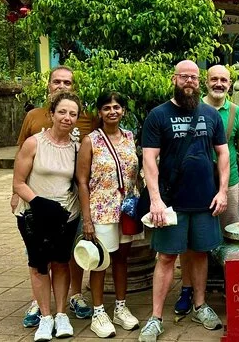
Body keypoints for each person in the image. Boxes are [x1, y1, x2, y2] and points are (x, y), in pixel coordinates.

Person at [138, 60, 230, 342]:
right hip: (171, 202)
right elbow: (149, 159)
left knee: (201, 253)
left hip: (205, 200)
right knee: (166, 257)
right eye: (184, 76)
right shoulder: (158, 115)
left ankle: (200, 305)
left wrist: (222, 191)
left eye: (193, 77)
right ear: (174, 79)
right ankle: (155, 317)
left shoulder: (210, 115)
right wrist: (155, 200)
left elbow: (223, 154)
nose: (189, 81)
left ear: (199, 81)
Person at [12, 65, 96, 328]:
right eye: (56, 81)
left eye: (67, 82)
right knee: (38, 260)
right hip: (35, 206)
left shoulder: (85, 125)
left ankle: (69, 301)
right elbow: (19, 170)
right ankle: (41, 306)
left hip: (67, 210)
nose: (67, 117)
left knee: (64, 259)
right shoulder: (34, 122)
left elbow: (84, 173)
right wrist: (20, 196)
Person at [174, 65, 239, 316]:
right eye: (214, 79)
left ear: (230, 84)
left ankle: (234, 285)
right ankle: (187, 288)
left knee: (232, 236)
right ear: (205, 82)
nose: (219, 84)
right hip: (195, 184)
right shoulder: (191, 108)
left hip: (227, 183)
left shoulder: (236, 113)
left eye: (224, 80)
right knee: (189, 241)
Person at [76, 92, 143, 338]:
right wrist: (87, 219)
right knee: (100, 262)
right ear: (100, 112)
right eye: (107, 107)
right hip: (101, 210)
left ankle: (120, 308)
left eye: (116, 107)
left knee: (122, 259)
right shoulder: (90, 141)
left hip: (126, 209)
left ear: (123, 110)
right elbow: (82, 181)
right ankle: (98, 312)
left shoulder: (129, 137)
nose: (112, 111)